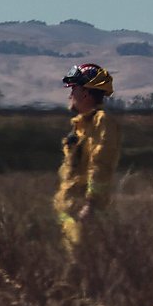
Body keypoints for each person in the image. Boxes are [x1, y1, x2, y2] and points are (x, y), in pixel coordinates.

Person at [55, 62, 120, 252]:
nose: (70, 95)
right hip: (70, 211)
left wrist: (91, 204)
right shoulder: (81, 125)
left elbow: (101, 164)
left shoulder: (102, 122)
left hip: (84, 213)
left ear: (85, 93)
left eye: (73, 90)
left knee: (80, 269)